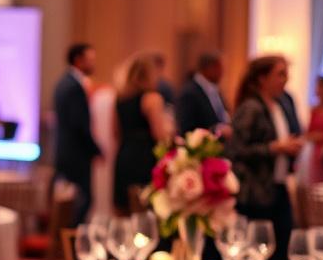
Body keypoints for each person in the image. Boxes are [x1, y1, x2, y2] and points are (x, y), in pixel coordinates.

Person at [227, 55, 304, 260]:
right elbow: (236, 149)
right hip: (255, 193)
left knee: (282, 251)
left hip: (277, 186)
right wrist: (274, 148)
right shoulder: (251, 107)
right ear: (262, 78)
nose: (285, 80)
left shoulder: (281, 104)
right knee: (259, 253)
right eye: (280, 75)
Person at [113, 54, 171, 213]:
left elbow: (115, 132)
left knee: (125, 210)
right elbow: (159, 135)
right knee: (145, 211)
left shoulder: (120, 99)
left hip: (124, 156)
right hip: (145, 157)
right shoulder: (152, 98)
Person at [53, 43, 102, 226]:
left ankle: (68, 243)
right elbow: (79, 124)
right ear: (78, 60)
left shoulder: (64, 83)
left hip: (67, 153)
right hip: (75, 155)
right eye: (90, 60)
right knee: (83, 201)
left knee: (72, 203)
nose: (93, 64)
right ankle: (73, 245)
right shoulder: (73, 87)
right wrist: (95, 150)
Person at [175, 52, 230, 136]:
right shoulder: (190, 93)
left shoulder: (215, 90)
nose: (223, 72)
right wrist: (216, 130)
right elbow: (187, 130)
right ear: (209, 68)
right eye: (219, 67)